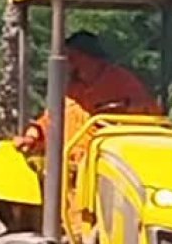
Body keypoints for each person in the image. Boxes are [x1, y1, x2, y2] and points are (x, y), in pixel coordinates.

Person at [16, 30, 162, 156]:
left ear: (88, 56)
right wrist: (32, 135)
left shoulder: (122, 82)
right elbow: (53, 119)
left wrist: (128, 108)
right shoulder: (73, 88)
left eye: (72, 57)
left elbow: (150, 114)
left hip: (104, 167)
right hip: (70, 171)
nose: (68, 62)